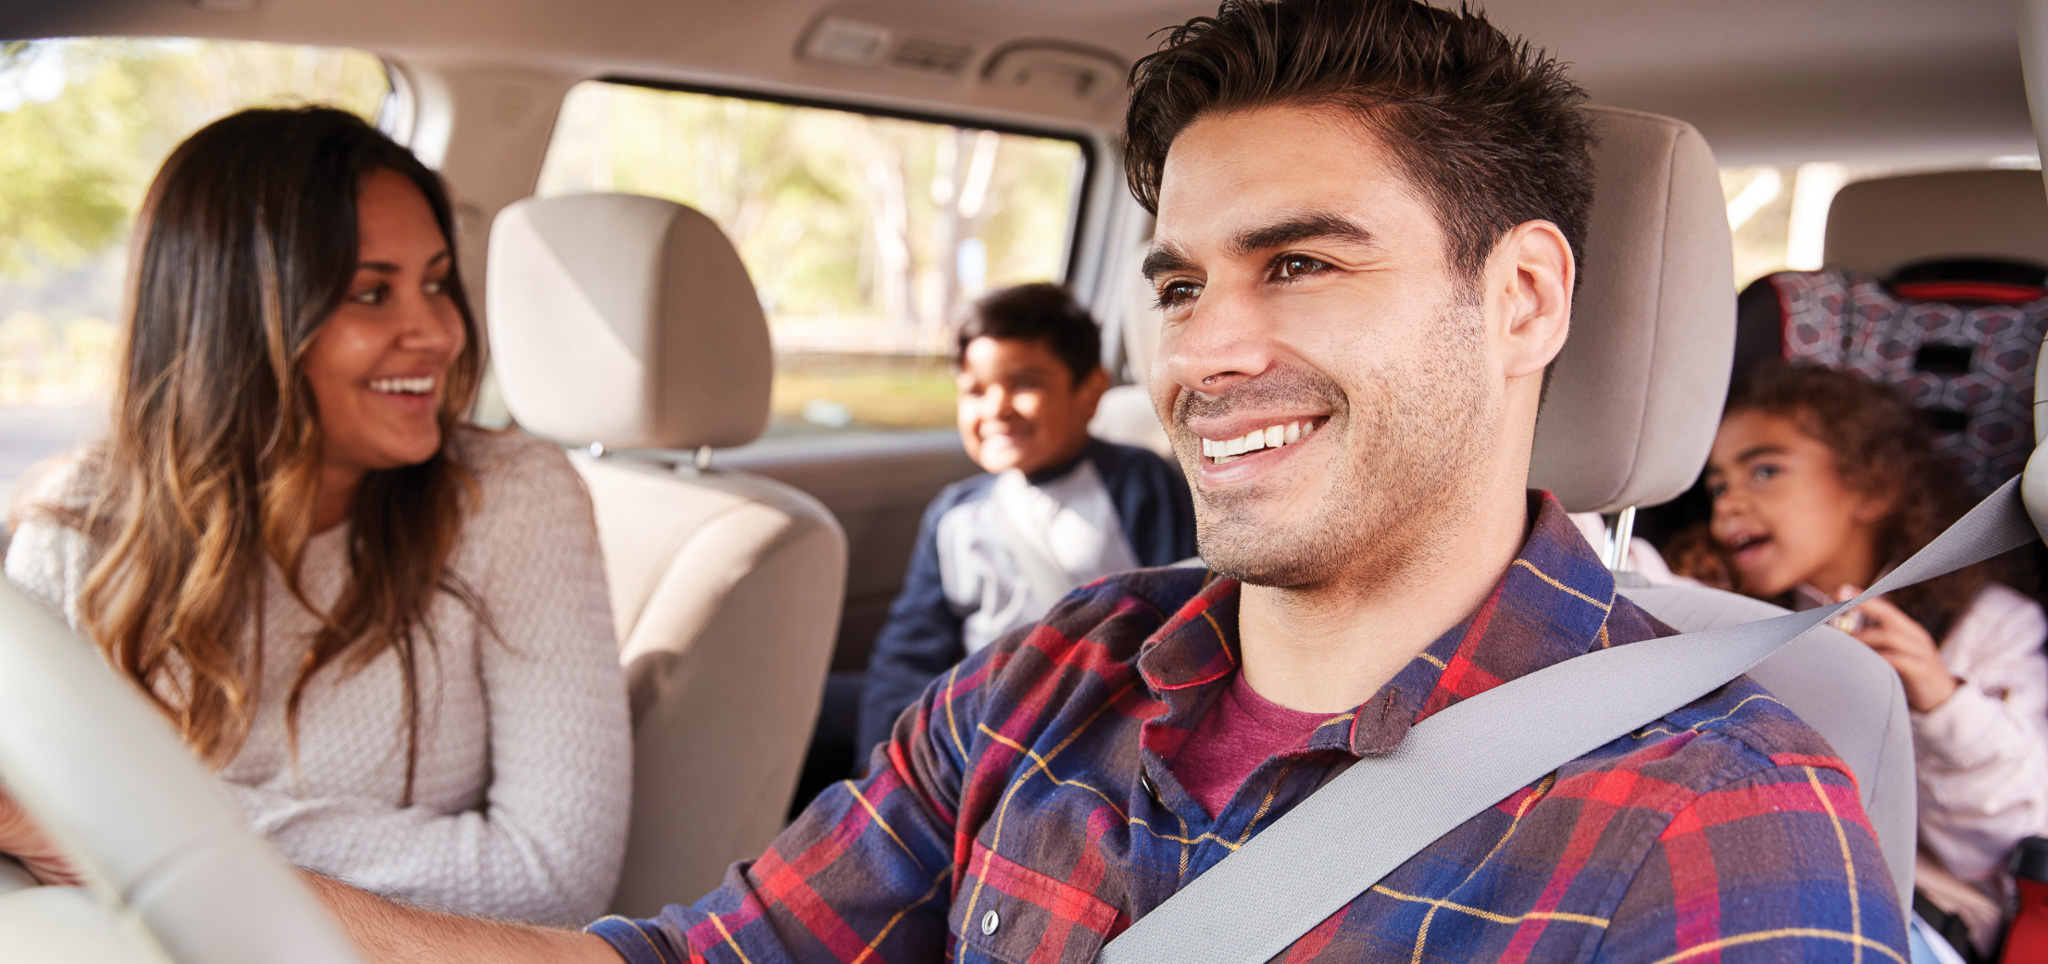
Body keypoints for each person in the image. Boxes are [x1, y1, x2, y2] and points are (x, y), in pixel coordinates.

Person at [0, 2, 1909, 960]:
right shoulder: (1057, 674)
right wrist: (194, 877)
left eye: (1299, 261)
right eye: (1175, 275)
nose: (1206, 346)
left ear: (1519, 300)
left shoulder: (1708, 822)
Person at [1, 107, 632, 925]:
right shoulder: (74, 533)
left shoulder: (509, 498)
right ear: (232, 323)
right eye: (373, 293)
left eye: (437, 283)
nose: (439, 331)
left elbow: (553, 877)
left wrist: (146, 834)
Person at [1677, 362, 2048, 957]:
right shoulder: (1733, 614)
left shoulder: (1989, 625)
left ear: (1870, 487)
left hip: (1917, 911)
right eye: (1718, 486)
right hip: (1753, 870)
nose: (1730, 505)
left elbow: (2012, 838)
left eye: (1765, 471)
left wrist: (1940, 698)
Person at [854, 282, 1197, 755]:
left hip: (1089, 716)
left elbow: (1181, 616)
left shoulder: (1137, 481)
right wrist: (888, 754)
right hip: (972, 716)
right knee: (804, 704)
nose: (996, 408)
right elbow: (909, 648)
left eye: (1025, 383)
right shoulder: (954, 512)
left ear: (1090, 391)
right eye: (974, 390)